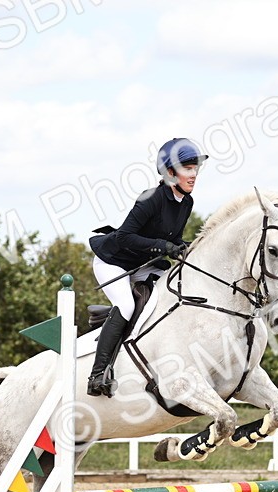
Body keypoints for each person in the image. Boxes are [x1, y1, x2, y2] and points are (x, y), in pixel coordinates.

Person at [86, 137, 208, 397]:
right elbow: (124, 237)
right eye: (188, 168)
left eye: (195, 168)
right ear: (170, 172)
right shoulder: (150, 198)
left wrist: (186, 247)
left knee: (172, 293)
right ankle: (97, 375)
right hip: (114, 261)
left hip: (143, 262)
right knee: (127, 305)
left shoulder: (186, 202)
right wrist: (165, 247)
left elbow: (172, 238)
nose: (194, 174)